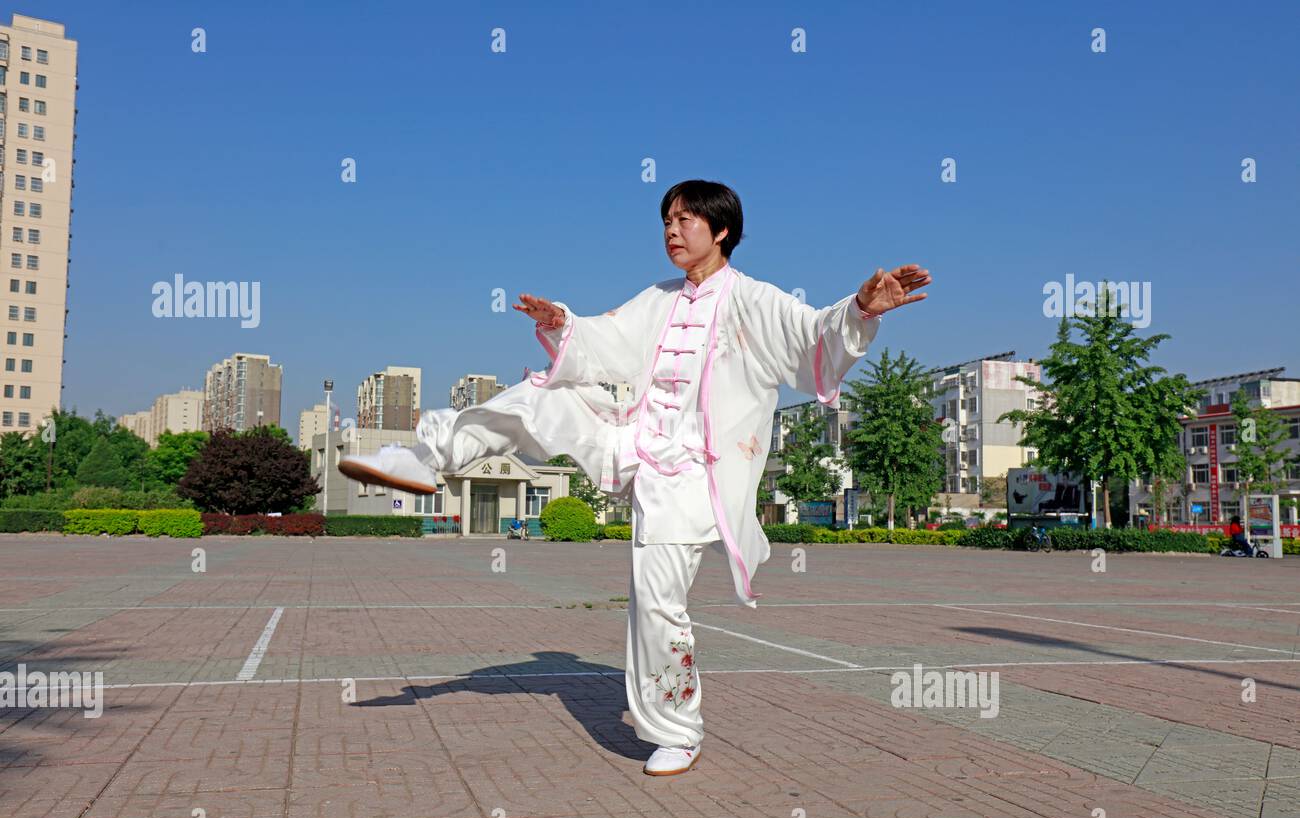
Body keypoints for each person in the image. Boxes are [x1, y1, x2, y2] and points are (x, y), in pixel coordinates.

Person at [337, 180, 930, 776]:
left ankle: (677, 729)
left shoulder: (754, 299)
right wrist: (563, 323)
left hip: (695, 477)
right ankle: (426, 455)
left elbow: (813, 337)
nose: (672, 230)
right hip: (637, 444)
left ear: (721, 230)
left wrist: (862, 309)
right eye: (666, 220)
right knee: (539, 395)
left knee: (656, 600)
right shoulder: (658, 298)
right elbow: (605, 341)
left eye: (685, 220)